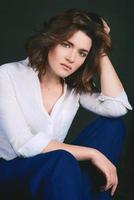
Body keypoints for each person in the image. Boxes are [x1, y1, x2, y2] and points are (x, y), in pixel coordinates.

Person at [0, 9, 132, 200]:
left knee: (113, 127)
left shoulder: (74, 86)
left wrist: (100, 49)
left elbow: (117, 107)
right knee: (61, 159)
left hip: (58, 170)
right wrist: (93, 154)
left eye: (82, 53)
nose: (72, 58)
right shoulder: (7, 76)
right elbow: (23, 144)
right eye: (66, 44)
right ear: (50, 40)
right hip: (11, 170)